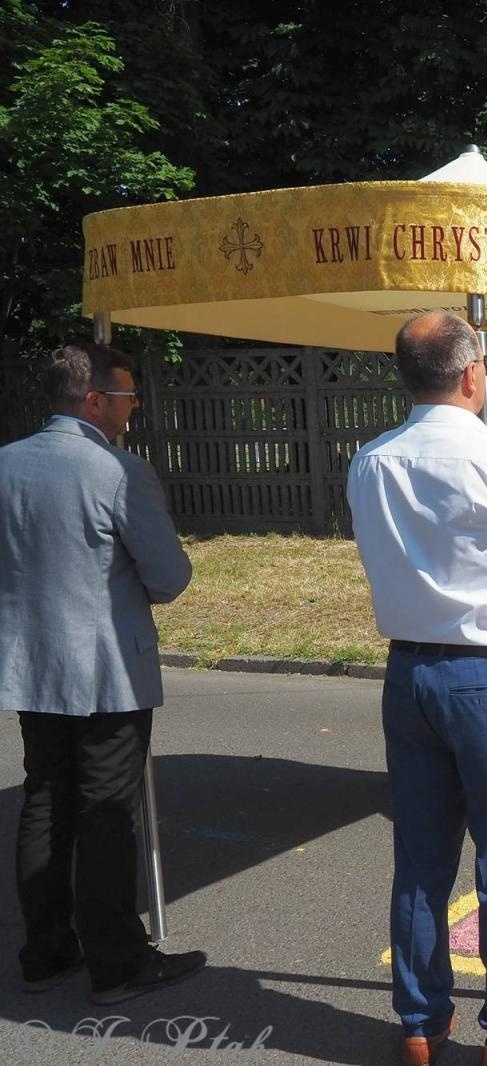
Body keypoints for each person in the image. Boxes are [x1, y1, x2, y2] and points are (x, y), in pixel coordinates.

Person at [347, 312, 487, 1066]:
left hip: (409, 669)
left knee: (421, 856)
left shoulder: (371, 461)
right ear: (473, 373)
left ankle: (421, 1022)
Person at [0, 342, 206, 1005]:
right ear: (94, 400)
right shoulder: (119, 471)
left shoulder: (6, 464)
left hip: (31, 665)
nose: (133, 407)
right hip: (106, 669)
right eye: (127, 396)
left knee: (46, 801)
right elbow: (169, 577)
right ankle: (117, 963)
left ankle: (46, 952)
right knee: (108, 812)